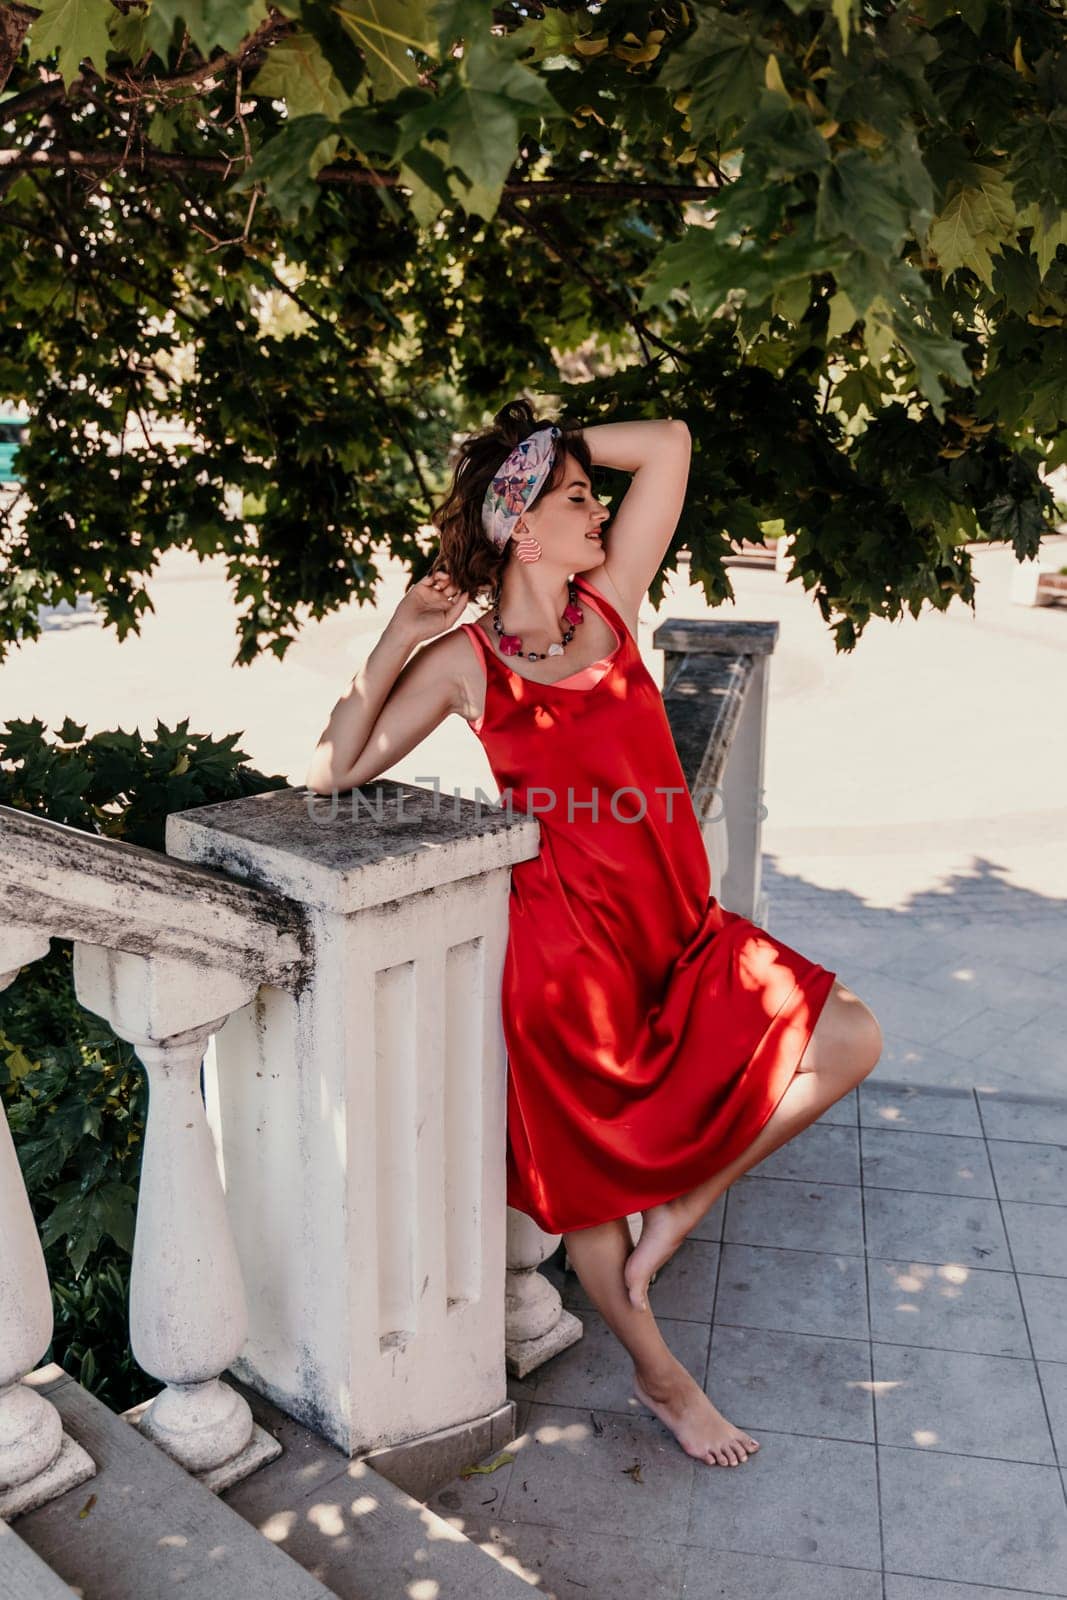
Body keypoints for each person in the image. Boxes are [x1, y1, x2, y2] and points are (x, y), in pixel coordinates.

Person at [306, 399, 883, 1470]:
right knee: (590, 1186)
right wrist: (396, 633)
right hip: (565, 958)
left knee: (847, 1038)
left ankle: (683, 1211)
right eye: (577, 499)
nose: (599, 512)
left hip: (682, 934)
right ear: (522, 527)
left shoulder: (612, 604)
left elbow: (667, 440)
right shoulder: (465, 663)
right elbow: (335, 770)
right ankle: (661, 1378)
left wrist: (548, 437)